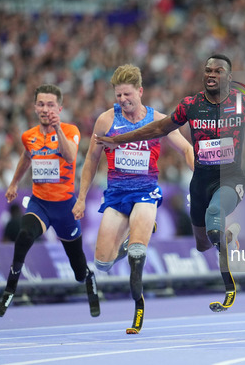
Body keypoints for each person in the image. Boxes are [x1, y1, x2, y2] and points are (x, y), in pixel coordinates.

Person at [95, 54, 245, 311]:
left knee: (215, 215)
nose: (211, 75)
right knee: (203, 243)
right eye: (207, 70)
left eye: (217, 71)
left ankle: (229, 290)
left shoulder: (241, 102)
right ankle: (227, 235)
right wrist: (120, 139)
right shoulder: (190, 105)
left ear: (229, 76)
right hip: (200, 182)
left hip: (230, 179)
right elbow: (158, 128)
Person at [72, 64, 194, 333]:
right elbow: (91, 161)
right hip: (116, 195)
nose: (123, 100)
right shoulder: (106, 121)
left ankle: (138, 312)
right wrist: (80, 198)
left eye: (128, 94)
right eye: (118, 96)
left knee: (137, 254)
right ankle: (131, 241)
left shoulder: (158, 120)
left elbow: (185, 147)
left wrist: (199, 174)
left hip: (145, 193)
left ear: (140, 91)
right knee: (103, 263)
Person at [0, 84, 99, 318]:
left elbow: (71, 156)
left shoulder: (70, 130)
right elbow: (26, 156)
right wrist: (13, 183)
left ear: (59, 108)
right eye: (41, 104)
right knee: (23, 236)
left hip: (65, 209)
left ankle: (88, 278)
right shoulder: (28, 136)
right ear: (34, 107)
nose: (45, 109)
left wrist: (57, 128)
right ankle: (10, 290)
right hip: (39, 204)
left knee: (78, 268)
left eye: (50, 105)